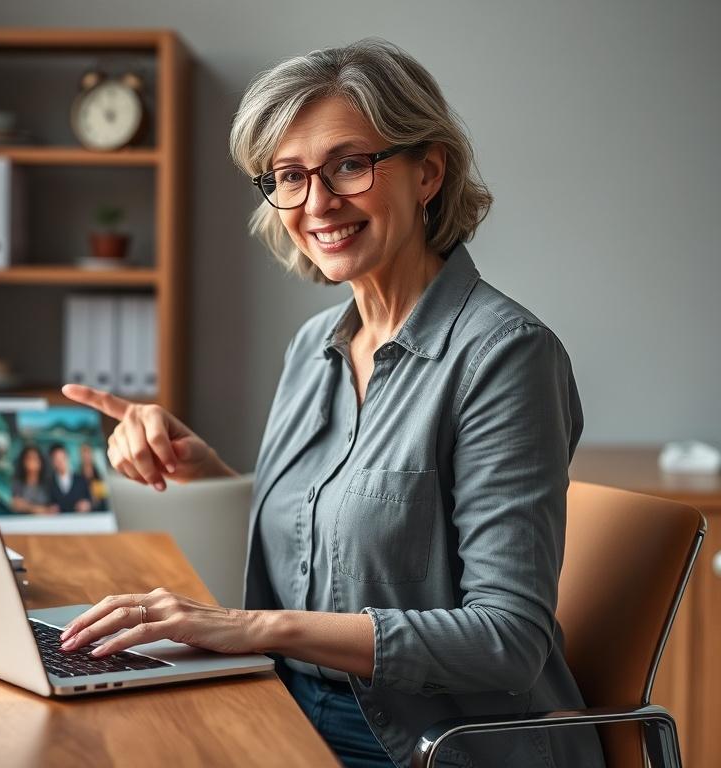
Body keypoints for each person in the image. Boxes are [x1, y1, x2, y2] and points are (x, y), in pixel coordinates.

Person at [58, 38, 604, 768]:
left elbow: (506, 641)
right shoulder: (316, 343)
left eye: (349, 164)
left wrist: (258, 629)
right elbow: (331, 540)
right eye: (288, 175)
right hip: (284, 701)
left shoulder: (505, 356)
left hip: (432, 743)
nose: (317, 203)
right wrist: (202, 470)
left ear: (427, 172)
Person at [11, 445, 58, 515]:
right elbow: (16, 505)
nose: (32, 462)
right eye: (29, 458)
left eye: (35, 458)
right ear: (23, 461)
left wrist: (26, 506)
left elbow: (53, 509)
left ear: (40, 462)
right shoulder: (18, 484)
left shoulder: (48, 484)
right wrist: (39, 509)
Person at [47, 443, 92, 513]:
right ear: (52, 462)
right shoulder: (48, 483)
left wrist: (87, 505)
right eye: (57, 459)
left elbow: (89, 500)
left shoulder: (81, 480)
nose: (60, 462)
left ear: (68, 457)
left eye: (62, 458)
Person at [79, 443, 109, 511]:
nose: (86, 456)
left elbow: (102, 500)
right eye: (84, 452)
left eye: (88, 452)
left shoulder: (98, 476)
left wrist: (91, 504)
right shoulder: (77, 476)